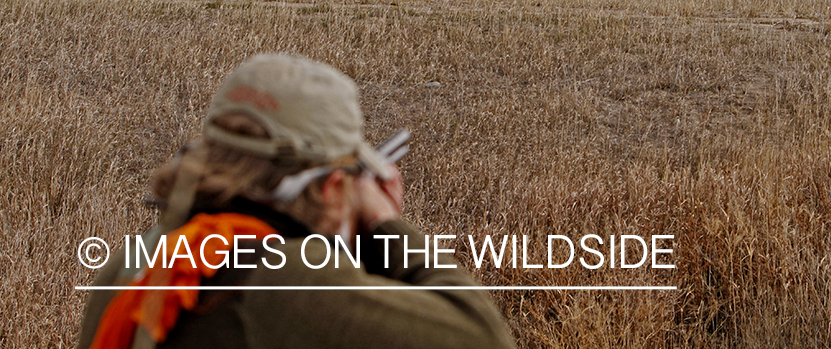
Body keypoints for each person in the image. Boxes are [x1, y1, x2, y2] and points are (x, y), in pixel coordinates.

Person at [77, 53, 515, 349]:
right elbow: (483, 336)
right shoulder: (284, 279)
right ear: (328, 188)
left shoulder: (141, 259)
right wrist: (383, 224)